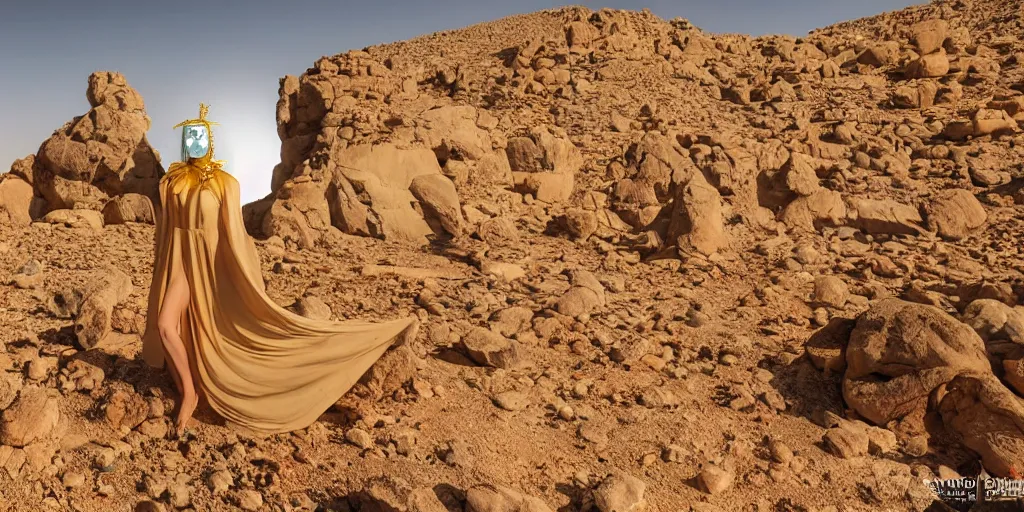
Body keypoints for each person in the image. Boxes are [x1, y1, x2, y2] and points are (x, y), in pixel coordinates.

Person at [143, 104, 418, 436]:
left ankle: (194, 391)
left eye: (201, 137)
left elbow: (234, 234)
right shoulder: (172, 183)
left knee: (233, 331)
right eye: (190, 137)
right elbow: (166, 231)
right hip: (181, 263)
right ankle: (189, 389)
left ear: (210, 141)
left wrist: (244, 279)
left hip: (213, 267)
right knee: (164, 324)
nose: (195, 143)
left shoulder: (225, 184)